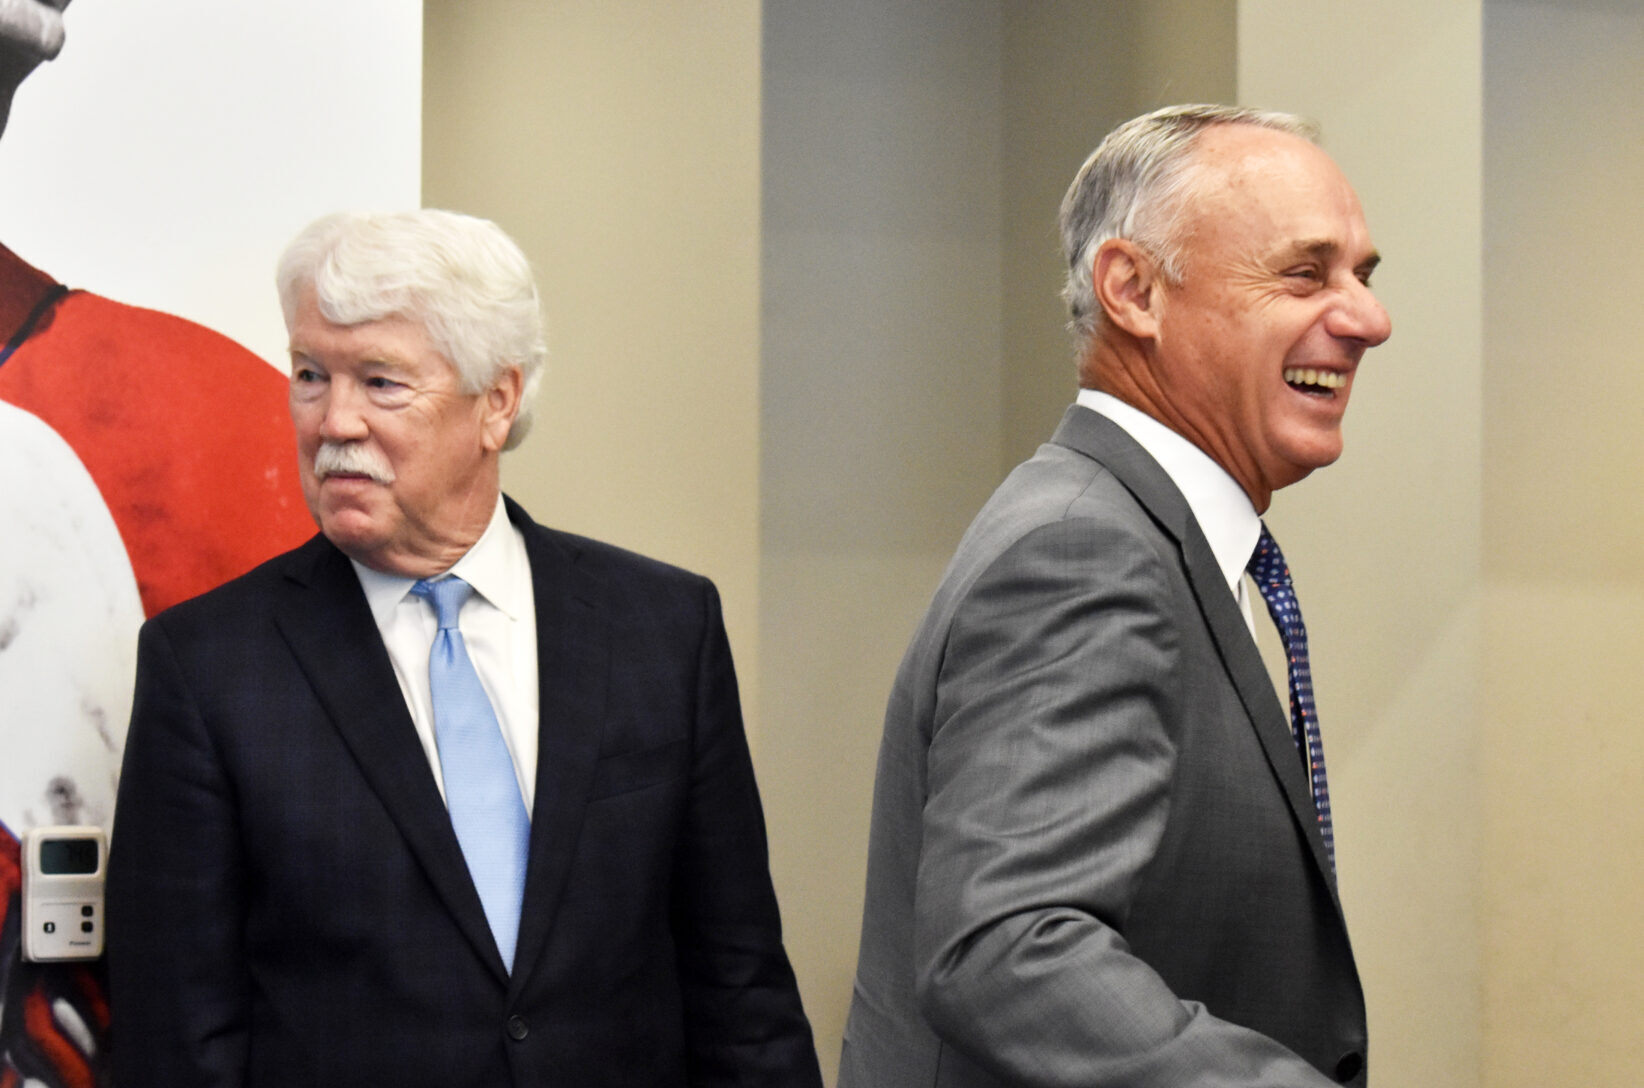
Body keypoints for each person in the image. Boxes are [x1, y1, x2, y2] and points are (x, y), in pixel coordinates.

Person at [107, 209, 823, 1087]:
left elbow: (740, 991)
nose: (334, 422)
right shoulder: (211, 668)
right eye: (308, 374)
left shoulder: (663, 631)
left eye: (380, 383)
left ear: (497, 402)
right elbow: (175, 1040)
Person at [839, 104, 1393, 1087]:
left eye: (1363, 274)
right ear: (1132, 289)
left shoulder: (1130, 531)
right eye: (1305, 272)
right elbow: (1009, 947)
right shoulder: (1085, 548)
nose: (1366, 319)